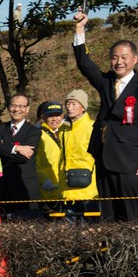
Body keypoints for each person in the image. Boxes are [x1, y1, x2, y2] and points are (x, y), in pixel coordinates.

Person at [72, 11, 138, 221]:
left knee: (130, 213)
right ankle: (111, 253)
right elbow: (84, 63)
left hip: (130, 159)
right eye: (114, 57)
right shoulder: (105, 81)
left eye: (124, 57)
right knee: (108, 214)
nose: (119, 62)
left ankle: (134, 253)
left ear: (135, 59)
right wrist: (80, 28)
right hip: (103, 156)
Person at [0, 93, 42, 219]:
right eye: (13, 105)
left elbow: (24, 157)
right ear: (9, 107)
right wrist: (16, 148)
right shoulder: (0, 128)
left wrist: (4, 148)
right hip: (1, 187)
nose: (17, 109)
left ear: (27, 109)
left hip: (25, 187)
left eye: (21, 106)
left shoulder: (34, 131)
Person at [60, 89, 99, 217]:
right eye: (67, 104)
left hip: (88, 189)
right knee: (68, 233)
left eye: (74, 104)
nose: (69, 107)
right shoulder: (63, 130)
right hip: (67, 188)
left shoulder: (93, 127)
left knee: (89, 230)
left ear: (83, 107)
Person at [35, 102, 65, 203]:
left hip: (67, 188)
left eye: (57, 115)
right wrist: (44, 180)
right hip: (49, 189)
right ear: (44, 117)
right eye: (50, 115)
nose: (54, 119)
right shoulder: (38, 135)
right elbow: (34, 162)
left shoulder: (66, 133)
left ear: (62, 116)